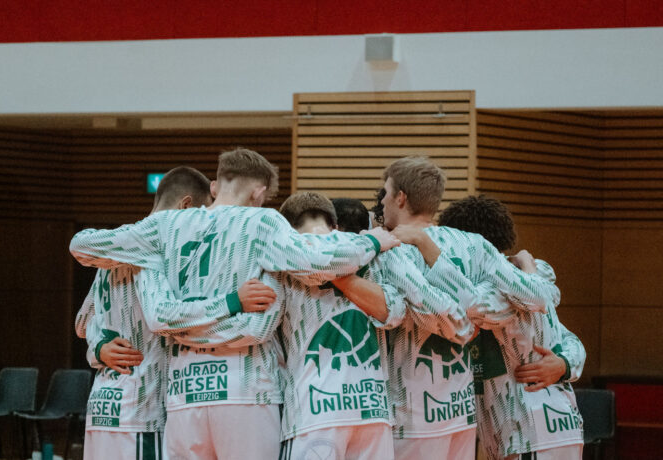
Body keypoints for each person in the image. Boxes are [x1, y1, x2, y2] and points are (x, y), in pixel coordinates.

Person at [70, 148, 399, 459]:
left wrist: (183, 330)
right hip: (246, 391)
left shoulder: (165, 226)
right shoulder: (263, 223)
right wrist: (371, 241)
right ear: (260, 193)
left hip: (184, 393)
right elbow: (314, 263)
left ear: (214, 186)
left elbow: (82, 246)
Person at [75, 166, 277, 460]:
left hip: (104, 405)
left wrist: (99, 349)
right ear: (186, 206)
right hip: (142, 410)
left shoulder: (117, 249)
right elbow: (164, 316)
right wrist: (233, 302)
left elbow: (83, 322)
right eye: (202, 213)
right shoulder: (157, 249)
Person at [378, 156, 562, 460]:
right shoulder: (477, 244)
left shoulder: (389, 248)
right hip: (460, 411)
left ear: (401, 197)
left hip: (411, 412)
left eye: (385, 193)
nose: (382, 201)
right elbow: (539, 297)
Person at [274, 192, 477, 460]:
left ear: (287, 227)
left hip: (312, 411)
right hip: (373, 411)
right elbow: (395, 313)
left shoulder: (283, 256)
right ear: (334, 224)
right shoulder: (377, 250)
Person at [438, 195, 585, 460]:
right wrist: (564, 364)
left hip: (531, 427)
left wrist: (562, 364)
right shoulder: (523, 278)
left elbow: (467, 303)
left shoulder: (500, 288)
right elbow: (570, 338)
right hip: (543, 424)